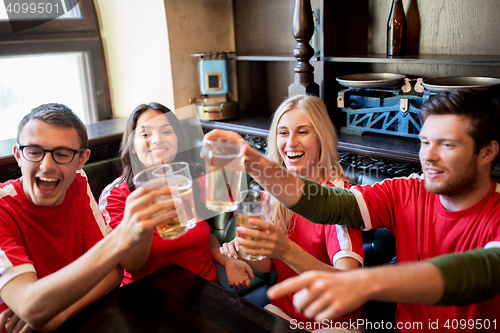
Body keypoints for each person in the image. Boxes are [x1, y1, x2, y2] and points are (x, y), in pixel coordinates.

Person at [204, 88, 500, 333]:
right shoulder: (407, 190)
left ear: (487, 151)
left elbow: (483, 270)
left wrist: (362, 283)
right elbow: (329, 203)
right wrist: (252, 161)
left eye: (446, 144)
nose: (428, 156)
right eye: (424, 142)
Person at [0, 103, 176, 332]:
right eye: (34, 152)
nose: (47, 166)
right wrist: (123, 236)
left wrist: (57, 314)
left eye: (62, 154)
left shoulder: (78, 183)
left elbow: (114, 272)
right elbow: (31, 307)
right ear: (18, 155)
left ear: (81, 160)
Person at [219, 95, 364, 331]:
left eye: (303, 132)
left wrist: (285, 249)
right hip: (286, 311)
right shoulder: (270, 194)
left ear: (321, 138)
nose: (291, 142)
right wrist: (244, 248)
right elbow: (267, 266)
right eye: (283, 132)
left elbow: (345, 282)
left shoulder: (339, 197)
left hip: (335, 320)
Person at [99, 103, 253, 288]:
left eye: (166, 132)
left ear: (177, 140)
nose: (157, 140)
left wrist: (227, 261)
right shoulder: (116, 196)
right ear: (132, 146)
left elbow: (204, 234)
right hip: (146, 299)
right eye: (146, 134)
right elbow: (129, 265)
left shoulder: (195, 179)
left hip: (207, 290)